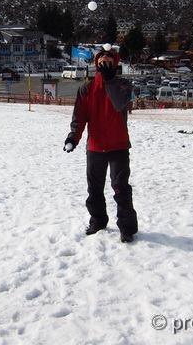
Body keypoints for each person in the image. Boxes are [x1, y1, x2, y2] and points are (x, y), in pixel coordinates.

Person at [63, 45, 138, 243]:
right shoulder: (86, 88)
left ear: (115, 64)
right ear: (96, 64)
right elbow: (80, 117)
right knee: (94, 189)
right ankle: (98, 220)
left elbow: (119, 104)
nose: (105, 64)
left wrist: (109, 80)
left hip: (119, 146)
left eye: (109, 62)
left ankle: (127, 228)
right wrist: (73, 137)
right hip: (95, 147)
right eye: (102, 62)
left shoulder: (123, 85)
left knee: (121, 188)